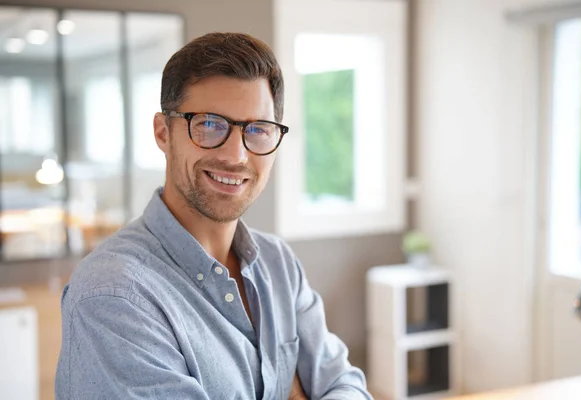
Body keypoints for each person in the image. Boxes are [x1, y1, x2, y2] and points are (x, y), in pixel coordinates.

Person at [55, 32, 372, 399]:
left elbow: (344, 383)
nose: (236, 155)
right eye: (208, 124)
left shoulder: (279, 264)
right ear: (163, 132)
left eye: (257, 129)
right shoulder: (114, 296)